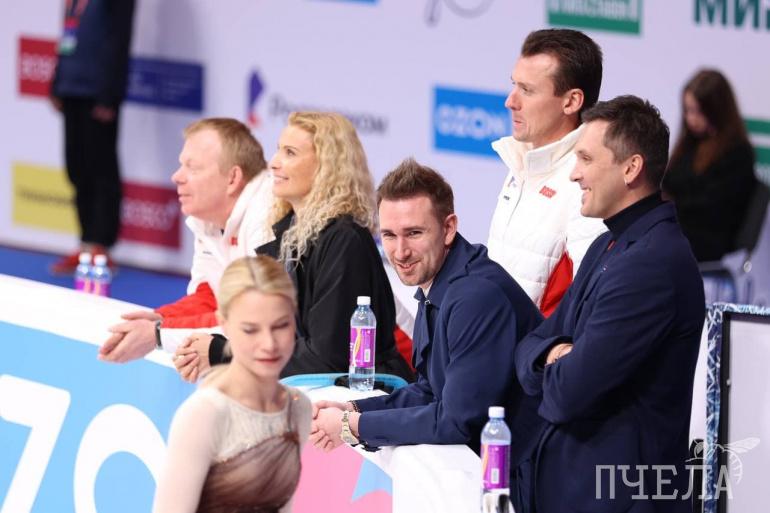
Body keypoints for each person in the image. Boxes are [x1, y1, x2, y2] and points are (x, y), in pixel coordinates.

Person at [311, 159, 543, 512]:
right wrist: (354, 408)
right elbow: (429, 390)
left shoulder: (475, 297)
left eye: (414, 233)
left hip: (532, 484)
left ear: (448, 228)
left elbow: (455, 421)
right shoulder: (439, 281)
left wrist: (352, 425)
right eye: (389, 235)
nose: (400, 252)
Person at [515, 96, 705, 513]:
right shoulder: (607, 244)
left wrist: (552, 358)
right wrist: (556, 353)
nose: (574, 173)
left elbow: (566, 395)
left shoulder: (652, 264)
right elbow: (529, 348)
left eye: (585, 158)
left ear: (631, 168)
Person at [175, 112, 413, 382]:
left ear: (326, 166)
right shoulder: (289, 233)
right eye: (278, 150)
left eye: (290, 153)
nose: (274, 163)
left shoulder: (345, 240)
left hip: (367, 393)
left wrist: (225, 352)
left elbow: (327, 358)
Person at [99, 118, 273, 363]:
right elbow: (209, 298)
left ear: (233, 178)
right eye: (181, 165)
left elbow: (253, 322)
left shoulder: (267, 217)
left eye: (193, 168)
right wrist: (161, 319)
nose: (176, 177)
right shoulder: (207, 218)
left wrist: (158, 335)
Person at [152, 255, 312, 513]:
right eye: (250, 330)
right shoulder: (205, 414)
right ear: (224, 324)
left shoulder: (298, 408)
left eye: (281, 326)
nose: (269, 344)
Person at [488, 28, 607, 316]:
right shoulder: (522, 159)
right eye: (514, 85)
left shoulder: (587, 182)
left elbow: (588, 308)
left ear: (571, 101)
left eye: (527, 90)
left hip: (537, 346)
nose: (510, 101)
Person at [49, 0, 136, 274]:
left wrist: (110, 94)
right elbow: (67, 33)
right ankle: (86, 242)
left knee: (102, 169)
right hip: (71, 88)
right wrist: (57, 83)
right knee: (77, 167)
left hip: (98, 92)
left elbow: (120, 36)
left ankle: (101, 245)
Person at [663, 69, 759, 262]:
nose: (691, 119)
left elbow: (713, 208)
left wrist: (669, 205)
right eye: (688, 110)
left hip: (708, 239)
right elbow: (670, 182)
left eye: (698, 111)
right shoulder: (690, 145)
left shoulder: (738, 153)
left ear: (717, 110)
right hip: (681, 229)